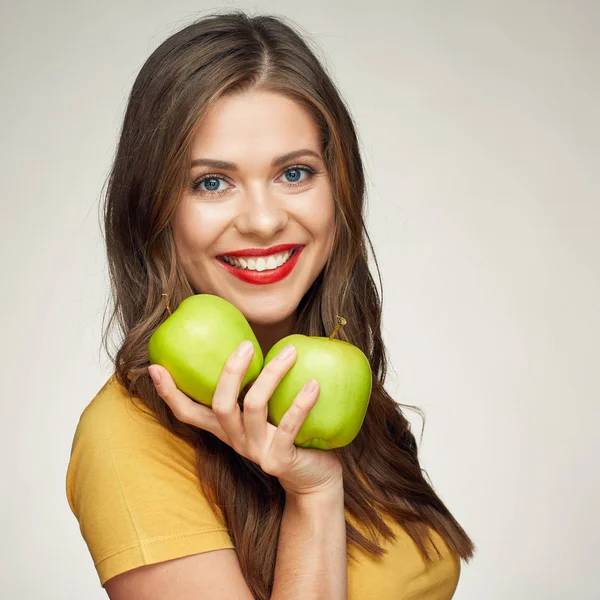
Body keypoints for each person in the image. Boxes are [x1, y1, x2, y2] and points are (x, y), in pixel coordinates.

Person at [66, 10, 475, 600]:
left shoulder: (335, 381)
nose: (262, 220)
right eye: (211, 182)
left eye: (294, 172)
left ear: (338, 187)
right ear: (154, 210)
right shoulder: (126, 441)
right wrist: (312, 495)